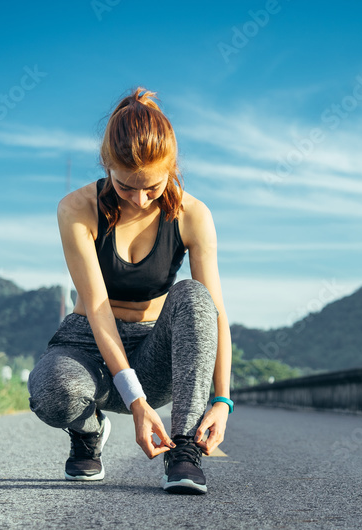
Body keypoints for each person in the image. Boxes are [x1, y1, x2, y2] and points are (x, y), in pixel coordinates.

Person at [27, 87, 233, 495]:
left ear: (171, 167)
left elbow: (215, 313)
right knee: (51, 389)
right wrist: (136, 403)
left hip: (155, 349)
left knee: (193, 294)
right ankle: (87, 432)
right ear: (107, 165)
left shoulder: (194, 215)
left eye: (152, 188)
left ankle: (185, 448)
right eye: (125, 187)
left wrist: (223, 400)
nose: (139, 199)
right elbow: (99, 308)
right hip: (90, 344)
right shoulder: (76, 209)